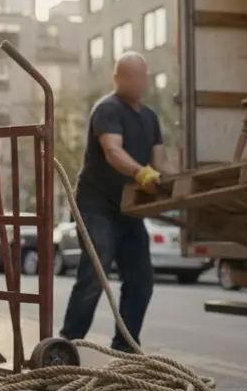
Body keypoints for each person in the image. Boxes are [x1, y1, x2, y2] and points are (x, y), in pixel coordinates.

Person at [60, 52, 173, 350]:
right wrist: (141, 172)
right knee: (95, 273)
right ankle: (67, 343)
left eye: (140, 76)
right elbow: (113, 151)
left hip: (129, 210)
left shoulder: (149, 117)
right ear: (117, 78)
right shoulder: (107, 109)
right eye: (129, 76)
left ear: (146, 78)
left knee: (141, 279)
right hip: (96, 206)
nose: (136, 81)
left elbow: (161, 161)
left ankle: (125, 346)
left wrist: (178, 183)